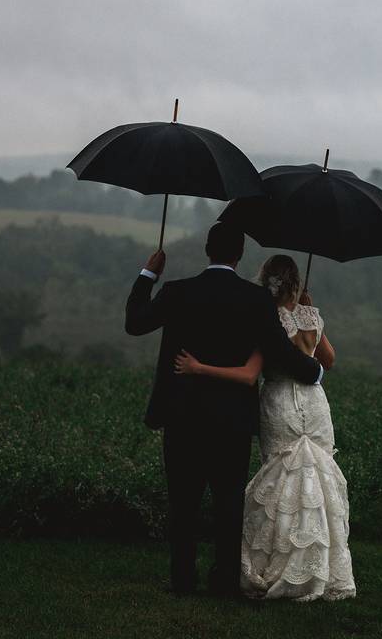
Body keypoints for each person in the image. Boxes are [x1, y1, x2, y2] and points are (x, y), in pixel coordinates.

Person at [124, 224, 323, 597]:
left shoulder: (177, 291)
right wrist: (315, 371)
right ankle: (225, 581)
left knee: (183, 503)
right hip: (231, 419)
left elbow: (134, 323)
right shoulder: (256, 300)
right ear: (238, 256)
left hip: (183, 416)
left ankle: (182, 580)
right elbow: (280, 352)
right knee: (229, 504)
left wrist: (149, 273)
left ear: (207, 250)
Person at [173, 254, 356, 602]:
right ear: (297, 284)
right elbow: (327, 361)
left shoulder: (268, 322)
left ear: (267, 282)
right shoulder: (311, 317)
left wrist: (198, 367)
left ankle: (279, 562)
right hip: (315, 404)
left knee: (281, 477)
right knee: (318, 477)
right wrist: (310, 316)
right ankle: (322, 566)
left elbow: (249, 373)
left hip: (280, 404)